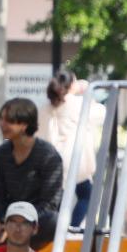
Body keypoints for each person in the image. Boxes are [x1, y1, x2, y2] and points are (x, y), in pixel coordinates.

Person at [0, 98, 64, 252]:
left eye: (8, 120)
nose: (2, 124)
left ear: (24, 125)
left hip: (35, 221)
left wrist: (16, 224)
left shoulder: (49, 156)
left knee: (54, 221)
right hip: (7, 219)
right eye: (1, 119)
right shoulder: (2, 153)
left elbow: (50, 205)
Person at [40, 70, 106, 231]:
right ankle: (72, 227)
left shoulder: (46, 107)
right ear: (71, 85)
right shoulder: (78, 103)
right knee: (87, 195)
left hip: (52, 158)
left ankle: (58, 229)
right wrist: (88, 92)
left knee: (59, 198)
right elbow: (102, 114)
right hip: (75, 158)